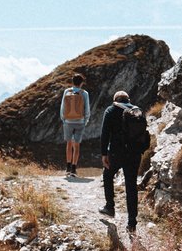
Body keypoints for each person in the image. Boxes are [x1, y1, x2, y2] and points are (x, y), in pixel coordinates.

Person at [98, 90, 144, 232]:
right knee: (131, 186)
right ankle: (132, 223)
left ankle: (110, 207)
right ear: (128, 99)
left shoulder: (111, 110)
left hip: (116, 153)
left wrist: (104, 154)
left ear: (115, 100)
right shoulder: (137, 111)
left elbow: (105, 134)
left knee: (108, 175)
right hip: (134, 154)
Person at [59, 73, 90, 176]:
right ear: (81, 83)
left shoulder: (67, 91)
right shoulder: (84, 93)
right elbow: (87, 109)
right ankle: (73, 169)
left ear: (72, 82)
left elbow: (63, 107)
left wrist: (64, 119)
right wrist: (85, 121)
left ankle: (67, 168)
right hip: (80, 121)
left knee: (68, 144)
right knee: (76, 145)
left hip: (68, 121)